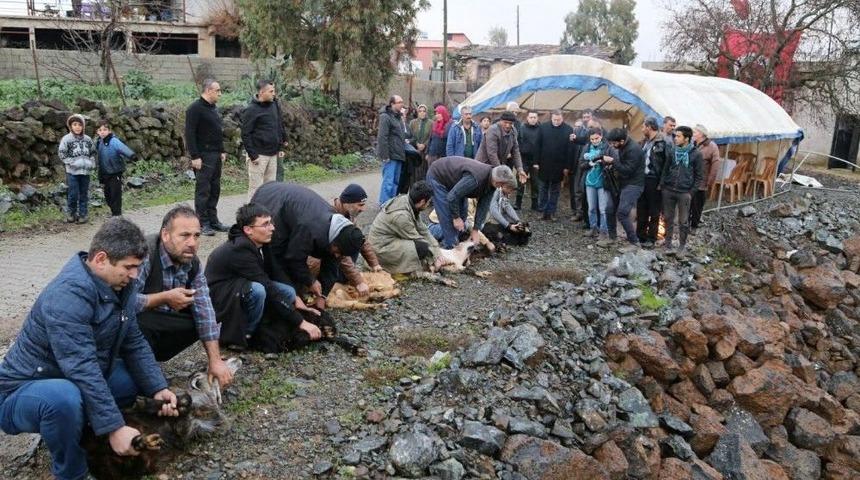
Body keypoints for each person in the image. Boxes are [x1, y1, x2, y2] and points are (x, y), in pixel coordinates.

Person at [0, 218, 179, 480]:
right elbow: (81, 366)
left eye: (137, 267)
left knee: (132, 380)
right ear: (100, 259)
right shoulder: (67, 296)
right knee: (63, 399)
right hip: (23, 389)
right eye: (129, 267)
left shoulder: (120, 287)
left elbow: (134, 343)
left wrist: (157, 387)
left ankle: (83, 431)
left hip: (68, 376)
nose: (135, 275)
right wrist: (114, 427)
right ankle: (72, 471)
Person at [135, 206, 233, 386]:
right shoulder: (144, 255)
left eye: (196, 235)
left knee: (210, 314)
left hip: (163, 323)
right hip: (134, 327)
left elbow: (204, 309)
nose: (192, 243)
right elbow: (123, 304)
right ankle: (141, 369)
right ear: (165, 235)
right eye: (184, 235)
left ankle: (153, 360)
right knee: (139, 320)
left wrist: (215, 360)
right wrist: (163, 297)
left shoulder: (192, 262)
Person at [205, 203, 322, 349]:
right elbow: (267, 286)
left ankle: (260, 321)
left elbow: (276, 271)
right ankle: (247, 335)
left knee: (288, 292)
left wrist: (296, 298)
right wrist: (301, 322)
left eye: (271, 222)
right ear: (248, 230)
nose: (272, 227)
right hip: (219, 296)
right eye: (265, 224)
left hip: (239, 285)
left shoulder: (260, 241)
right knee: (258, 290)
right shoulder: (240, 250)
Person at [250, 182, 367, 309]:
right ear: (334, 241)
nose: (338, 254)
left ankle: (294, 297)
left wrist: (322, 296)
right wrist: (310, 281)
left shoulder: (340, 233)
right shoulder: (311, 230)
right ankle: (275, 301)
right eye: (338, 250)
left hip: (295, 211)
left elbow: (332, 264)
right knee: (276, 259)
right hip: (272, 201)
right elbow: (294, 258)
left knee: (301, 273)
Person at [426, 155, 517, 250]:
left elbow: (483, 206)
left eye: (502, 184)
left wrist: (475, 230)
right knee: (448, 219)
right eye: (499, 183)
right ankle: (450, 250)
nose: (499, 187)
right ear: (495, 178)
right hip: (438, 176)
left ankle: (449, 241)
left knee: (463, 217)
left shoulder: (492, 183)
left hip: (455, 184)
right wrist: (456, 218)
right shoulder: (475, 179)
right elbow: (452, 197)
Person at [367, 181, 450, 273]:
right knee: (421, 248)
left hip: (389, 240)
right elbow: (417, 238)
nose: (428, 205)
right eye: (429, 202)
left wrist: (437, 252)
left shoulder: (409, 201)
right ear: (422, 201)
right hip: (380, 249)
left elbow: (423, 230)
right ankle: (395, 268)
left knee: (426, 246)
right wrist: (434, 259)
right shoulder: (401, 216)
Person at [185, 78, 228, 236]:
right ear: (208, 90)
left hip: (216, 155)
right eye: (217, 91)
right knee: (203, 190)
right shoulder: (194, 109)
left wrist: (222, 150)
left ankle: (213, 220)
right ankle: (202, 223)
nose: (220, 94)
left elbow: (217, 131)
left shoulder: (213, 108)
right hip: (203, 156)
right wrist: (195, 156)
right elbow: (189, 134)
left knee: (215, 189)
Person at [241, 79, 288, 200]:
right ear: (261, 92)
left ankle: (266, 214)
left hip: (273, 154)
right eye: (271, 91)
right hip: (258, 156)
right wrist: (253, 155)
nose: (274, 94)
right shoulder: (251, 110)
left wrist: (281, 145)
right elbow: (245, 134)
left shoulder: (274, 105)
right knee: (255, 189)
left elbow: (279, 124)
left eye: (274, 91)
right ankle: (250, 216)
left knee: (270, 188)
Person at [661, 126, 704, 251]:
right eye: (675, 136)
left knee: (683, 221)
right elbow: (666, 168)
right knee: (668, 218)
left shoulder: (696, 154)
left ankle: (681, 246)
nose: (675, 138)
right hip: (669, 190)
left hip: (684, 192)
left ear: (687, 138)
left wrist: (691, 192)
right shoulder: (672, 151)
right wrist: (663, 185)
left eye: (678, 136)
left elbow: (699, 175)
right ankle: (667, 244)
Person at [329, 184, 383, 274]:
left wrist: (374, 264)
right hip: (323, 255)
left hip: (338, 252)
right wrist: (357, 280)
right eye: (360, 205)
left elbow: (361, 240)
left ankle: (343, 277)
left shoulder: (350, 215)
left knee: (355, 241)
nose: (363, 209)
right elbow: (340, 254)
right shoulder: (329, 216)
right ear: (347, 203)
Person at [605, 128, 646, 245]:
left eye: (614, 143)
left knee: (622, 213)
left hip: (633, 184)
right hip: (621, 183)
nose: (612, 146)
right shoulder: (622, 146)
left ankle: (634, 242)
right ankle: (612, 238)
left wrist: (613, 161)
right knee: (609, 209)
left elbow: (627, 170)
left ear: (622, 141)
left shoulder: (633, 149)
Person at [637, 117, 672, 246]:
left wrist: (662, 183)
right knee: (641, 209)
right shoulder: (645, 142)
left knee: (654, 210)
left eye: (643, 126)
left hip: (655, 180)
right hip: (643, 179)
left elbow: (668, 165)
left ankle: (651, 239)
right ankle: (640, 236)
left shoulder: (664, 142)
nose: (641, 129)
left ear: (649, 127)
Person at [580, 128, 618, 239]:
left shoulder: (607, 148)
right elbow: (581, 165)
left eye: (596, 138)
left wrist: (602, 161)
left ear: (601, 136)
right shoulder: (586, 148)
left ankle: (603, 231)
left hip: (603, 182)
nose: (594, 141)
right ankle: (593, 228)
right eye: (592, 139)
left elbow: (613, 162)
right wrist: (589, 164)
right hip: (589, 182)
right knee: (591, 208)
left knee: (603, 209)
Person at [536, 110, 574, 221]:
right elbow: (537, 145)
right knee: (543, 188)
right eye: (554, 119)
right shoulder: (543, 128)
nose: (556, 122)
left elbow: (569, 150)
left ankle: (552, 212)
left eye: (559, 120)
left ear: (562, 118)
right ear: (551, 118)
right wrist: (536, 162)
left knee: (555, 190)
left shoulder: (568, 129)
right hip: (544, 163)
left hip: (559, 165)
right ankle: (542, 211)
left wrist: (567, 166)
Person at [59, 114, 96, 224]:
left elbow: (93, 152)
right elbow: (62, 153)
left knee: (83, 193)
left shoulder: (88, 139)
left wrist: (91, 163)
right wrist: (72, 162)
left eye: (80, 125)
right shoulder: (66, 139)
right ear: (70, 126)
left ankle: (83, 215)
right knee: (73, 193)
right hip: (72, 172)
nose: (77, 127)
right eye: (75, 124)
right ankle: (71, 213)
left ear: (83, 126)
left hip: (85, 171)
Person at [476, 111, 528, 187]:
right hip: (484, 165)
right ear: (500, 121)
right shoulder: (492, 130)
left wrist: (520, 169)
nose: (508, 125)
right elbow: (492, 154)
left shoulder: (513, 132)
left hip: (497, 166)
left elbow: (516, 151)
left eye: (510, 123)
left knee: (494, 192)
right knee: (481, 190)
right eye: (505, 122)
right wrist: (501, 172)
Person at [95, 119, 135, 217]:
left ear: (109, 131)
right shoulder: (99, 142)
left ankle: (117, 213)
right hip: (104, 172)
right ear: (97, 132)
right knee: (107, 194)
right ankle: (113, 210)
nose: (102, 132)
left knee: (115, 193)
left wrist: (131, 155)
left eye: (105, 130)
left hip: (115, 172)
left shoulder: (114, 141)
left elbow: (123, 148)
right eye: (100, 130)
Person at [377, 95, 407, 204]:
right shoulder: (385, 117)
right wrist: (385, 155)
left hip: (399, 154)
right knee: (388, 182)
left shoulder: (398, 117)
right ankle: (384, 204)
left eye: (402, 102)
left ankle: (391, 204)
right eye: (399, 102)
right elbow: (382, 137)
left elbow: (401, 135)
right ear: (392, 104)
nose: (401, 104)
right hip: (390, 155)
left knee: (395, 182)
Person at [690, 124, 720, 230]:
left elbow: (715, 164)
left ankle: (694, 226)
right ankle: (686, 224)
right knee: (687, 203)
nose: (692, 134)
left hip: (701, 181)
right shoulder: (692, 144)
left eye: (695, 132)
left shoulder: (712, 146)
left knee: (697, 205)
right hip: (689, 180)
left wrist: (710, 181)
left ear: (701, 134)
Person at [569, 109, 593, 223]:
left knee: (589, 190)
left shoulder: (596, 130)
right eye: (584, 117)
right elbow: (572, 147)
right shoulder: (578, 130)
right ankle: (579, 212)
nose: (586, 119)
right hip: (579, 163)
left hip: (592, 165)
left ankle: (589, 214)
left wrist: (576, 139)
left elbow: (585, 141)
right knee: (578, 189)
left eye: (588, 116)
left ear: (592, 117)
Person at [519, 111, 542, 211]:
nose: (533, 119)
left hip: (536, 160)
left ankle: (535, 204)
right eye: (531, 117)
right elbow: (517, 142)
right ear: (527, 118)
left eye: (535, 117)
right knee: (521, 181)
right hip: (524, 159)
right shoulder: (522, 128)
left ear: (537, 118)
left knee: (535, 182)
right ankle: (518, 203)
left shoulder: (541, 129)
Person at [409, 104, 432, 179]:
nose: (422, 113)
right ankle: (413, 189)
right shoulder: (413, 123)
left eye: (424, 111)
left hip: (426, 151)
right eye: (420, 111)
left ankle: (424, 189)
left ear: (426, 112)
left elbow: (431, 137)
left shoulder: (431, 123)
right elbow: (410, 136)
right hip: (415, 150)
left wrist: (424, 144)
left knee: (424, 171)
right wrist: (416, 143)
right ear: (417, 112)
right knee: (414, 172)